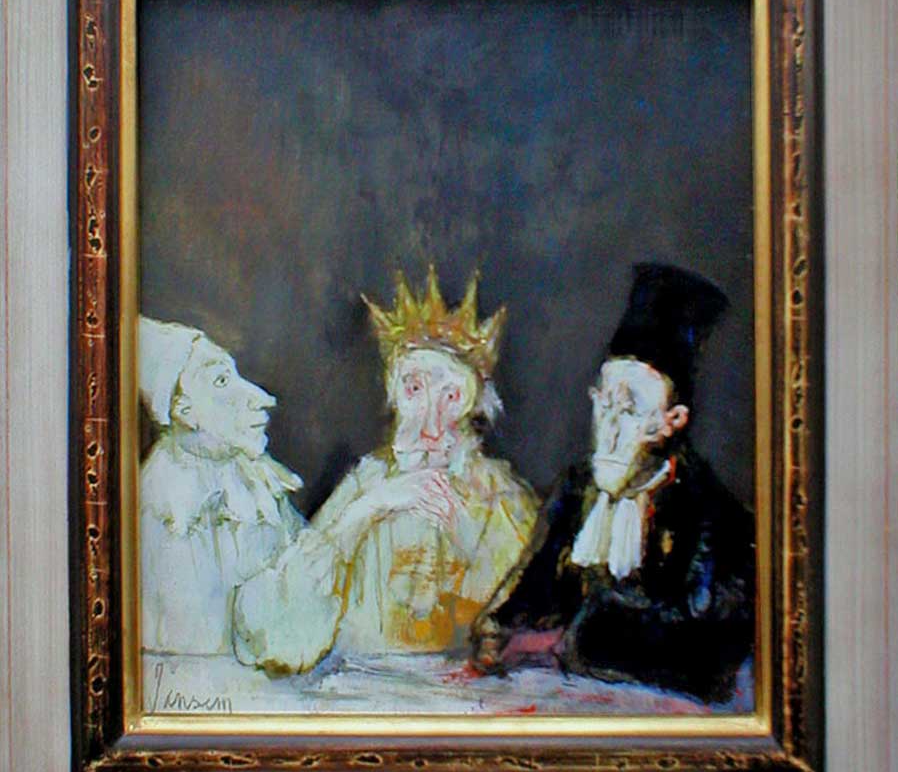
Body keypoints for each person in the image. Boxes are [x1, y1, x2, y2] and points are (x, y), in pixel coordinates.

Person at [471, 264, 755, 703]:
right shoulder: (576, 490)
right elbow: (533, 587)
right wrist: (498, 627)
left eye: (630, 410)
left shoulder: (712, 515)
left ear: (671, 421)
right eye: (604, 404)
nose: (610, 429)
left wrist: (576, 637)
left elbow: (705, 656)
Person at [233, 268, 538, 674]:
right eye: (415, 389)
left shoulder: (502, 498)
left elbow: (522, 627)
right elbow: (277, 640)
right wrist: (366, 512)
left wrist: (463, 533)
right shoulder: (369, 481)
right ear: (395, 398)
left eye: (450, 395)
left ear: (474, 407)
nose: (431, 425)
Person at [139, 316, 304, 655]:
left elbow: (309, 583)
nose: (261, 398)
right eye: (221, 381)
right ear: (183, 411)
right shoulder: (169, 505)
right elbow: (195, 645)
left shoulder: (255, 479)